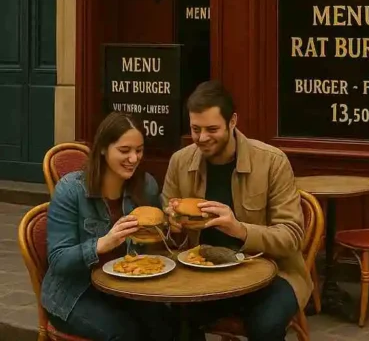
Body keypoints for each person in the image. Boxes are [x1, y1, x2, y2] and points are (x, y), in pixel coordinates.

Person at [162, 80, 311, 341]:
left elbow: (291, 237)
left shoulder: (271, 161)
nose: (202, 138)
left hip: (273, 273)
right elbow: (167, 236)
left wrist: (240, 230)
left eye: (212, 129)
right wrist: (171, 226)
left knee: (264, 326)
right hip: (201, 274)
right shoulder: (180, 161)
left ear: (233, 122)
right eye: (195, 129)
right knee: (167, 318)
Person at [42, 111, 175, 341]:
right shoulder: (70, 190)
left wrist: (172, 227)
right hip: (74, 294)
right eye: (124, 151)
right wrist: (103, 243)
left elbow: (158, 246)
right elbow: (58, 259)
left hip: (125, 288)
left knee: (172, 324)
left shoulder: (146, 186)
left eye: (139, 150)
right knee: (124, 333)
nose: (134, 158)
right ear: (103, 148)